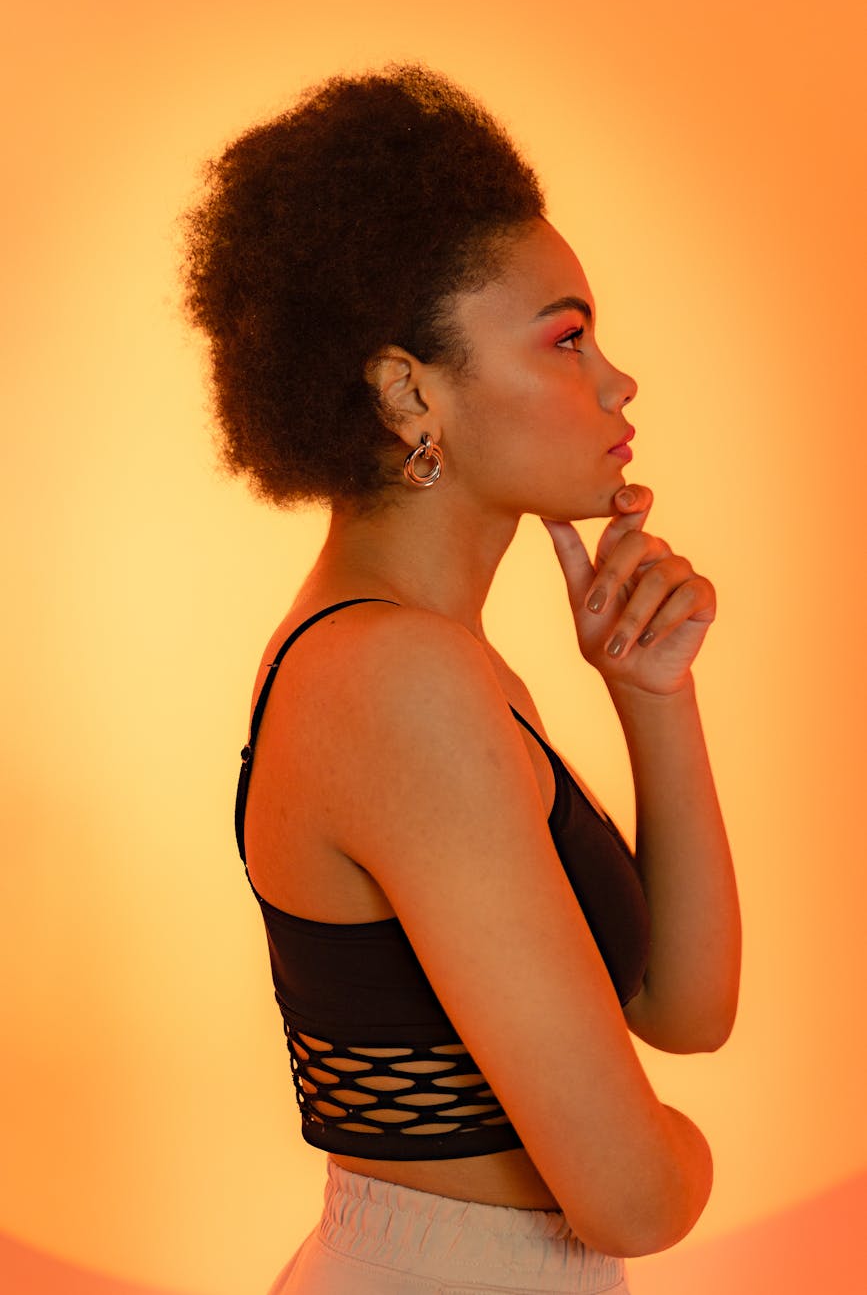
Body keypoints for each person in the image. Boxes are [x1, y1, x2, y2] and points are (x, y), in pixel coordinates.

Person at [181, 64, 741, 1295]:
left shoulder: (417, 655)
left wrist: (653, 694)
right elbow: (632, 1194)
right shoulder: (395, 678)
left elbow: (681, 1005)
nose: (617, 381)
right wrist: (692, 1153)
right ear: (406, 390)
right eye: (568, 336)